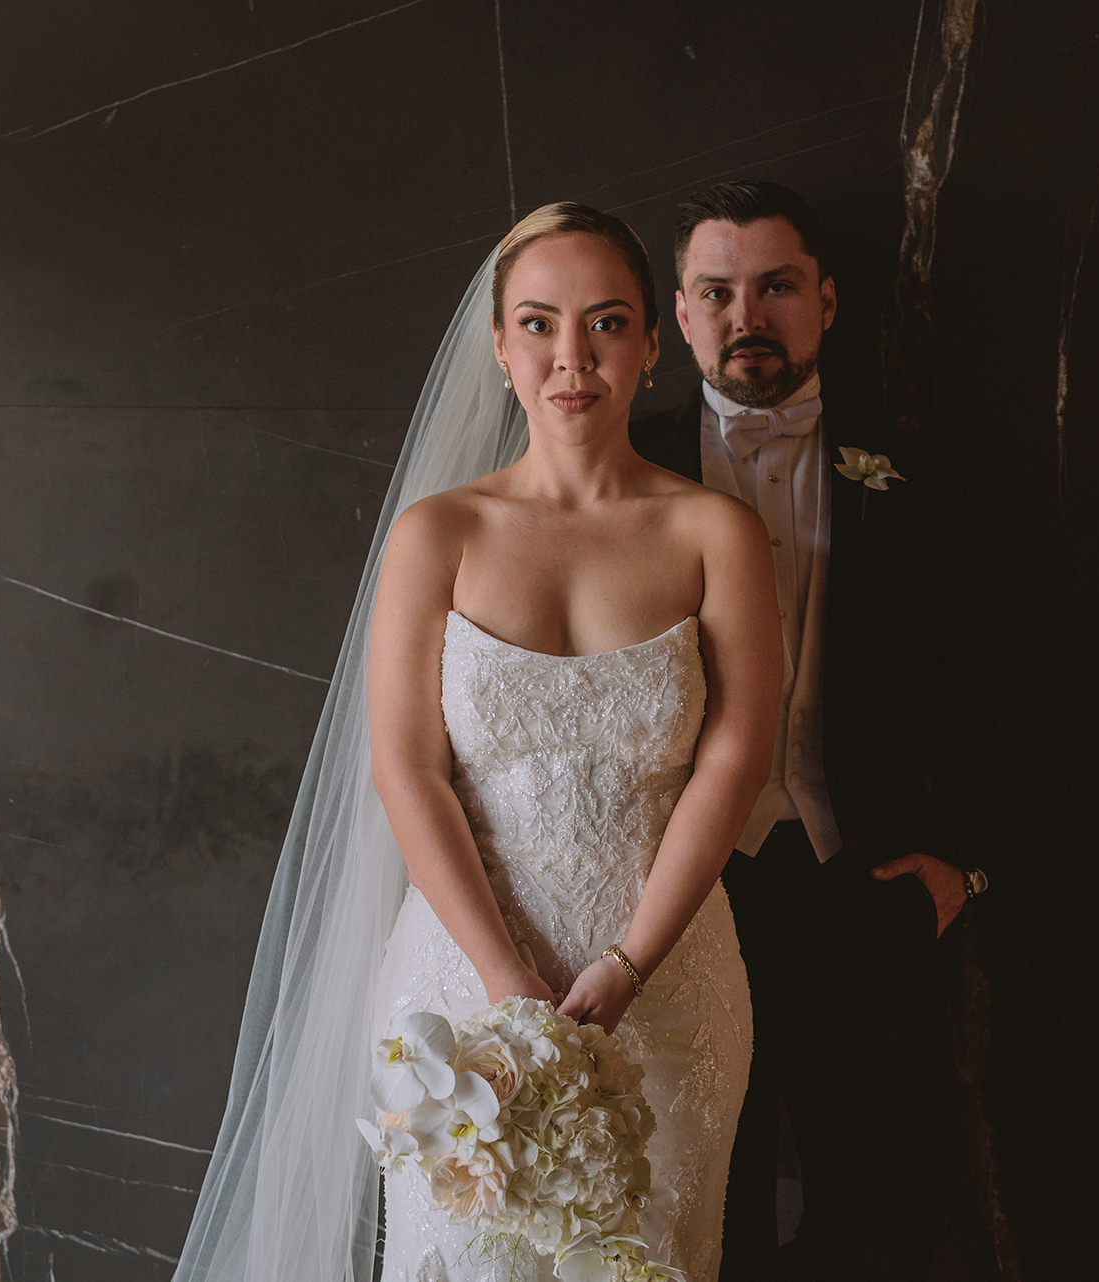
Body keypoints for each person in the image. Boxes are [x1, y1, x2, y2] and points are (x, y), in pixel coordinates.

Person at [170, 203, 780, 1282]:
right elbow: (407, 768)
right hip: (461, 991)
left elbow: (734, 759)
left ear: (651, 340)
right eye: (539, 324)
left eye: (606, 322)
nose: (571, 358)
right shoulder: (438, 535)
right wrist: (503, 976)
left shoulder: (714, 533)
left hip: (670, 982)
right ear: (500, 347)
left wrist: (631, 964)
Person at [629, 180, 985, 1280]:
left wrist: (965, 867)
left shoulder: (929, 474)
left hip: (866, 886)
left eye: (776, 287)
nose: (748, 316)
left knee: (878, 1218)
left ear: (826, 301)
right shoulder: (619, 471)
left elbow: (1003, 679)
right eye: (717, 292)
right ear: (678, 317)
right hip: (683, 898)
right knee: (704, 1216)